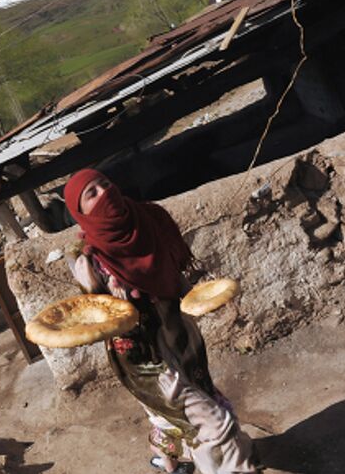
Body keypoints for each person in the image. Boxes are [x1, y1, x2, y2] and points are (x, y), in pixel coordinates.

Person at [63, 168, 256, 474]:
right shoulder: (89, 261)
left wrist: (202, 299)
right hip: (143, 356)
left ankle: (168, 460)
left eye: (106, 184)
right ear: (80, 212)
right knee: (211, 421)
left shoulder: (149, 221)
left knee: (178, 409)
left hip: (179, 335)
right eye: (92, 193)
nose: (105, 194)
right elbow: (95, 316)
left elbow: (175, 276)